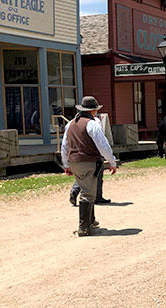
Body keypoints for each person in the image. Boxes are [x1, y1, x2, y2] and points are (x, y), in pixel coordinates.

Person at [61, 96, 117, 237]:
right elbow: (102, 144)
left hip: (74, 161)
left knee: (87, 189)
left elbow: (64, 146)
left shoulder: (70, 124)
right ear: (93, 111)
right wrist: (112, 161)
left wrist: (66, 165)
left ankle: (90, 221)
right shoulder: (92, 124)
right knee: (88, 193)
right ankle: (84, 227)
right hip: (88, 161)